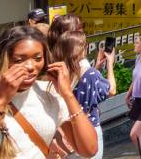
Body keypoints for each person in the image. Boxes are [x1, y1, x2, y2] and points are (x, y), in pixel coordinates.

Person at [0, 26, 98, 159]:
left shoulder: (47, 92)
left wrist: (68, 95)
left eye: (37, 58)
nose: (30, 67)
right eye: (19, 60)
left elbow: (89, 149)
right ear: (3, 59)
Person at [50, 30, 116, 159]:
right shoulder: (89, 73)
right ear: (83, 49)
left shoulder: (59, 71)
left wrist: (96, 66)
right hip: (88, 128)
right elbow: (111, 91)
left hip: (66, 129)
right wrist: (110, 65)